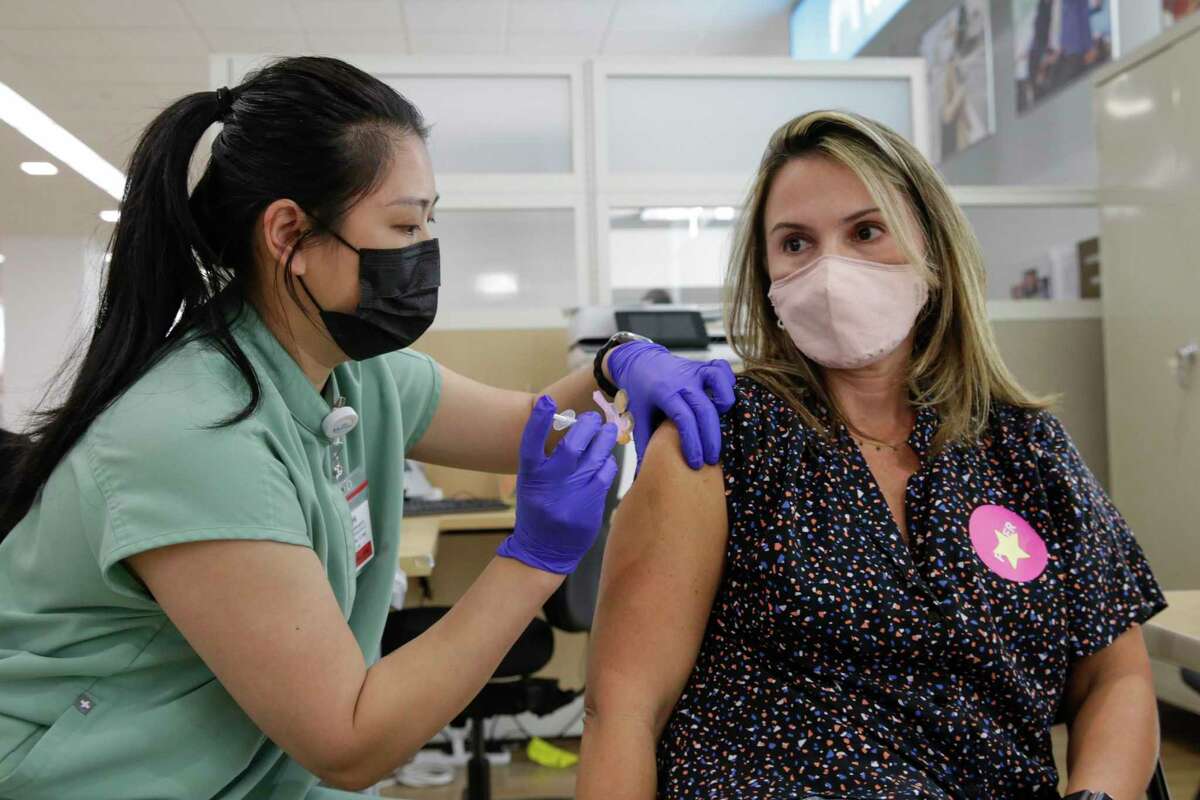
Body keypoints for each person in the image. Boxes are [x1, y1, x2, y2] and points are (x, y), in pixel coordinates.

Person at [0, 57, 736, 800]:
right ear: (289, 233)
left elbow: (535, 424)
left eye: (429, 221)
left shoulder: (357, 374)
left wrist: (621, 363)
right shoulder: (191, 433)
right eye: (404, 224)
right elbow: (348, 744)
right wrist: (536, 558)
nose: (424, 251)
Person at [578, 111, 1166, 800]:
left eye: (865, 231)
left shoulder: (1025, 448)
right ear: (765, 275)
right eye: (796, 243)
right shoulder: (720, 436)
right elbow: (621, 710)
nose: (831, 270)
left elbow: (1114, 677)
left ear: (933, 249)